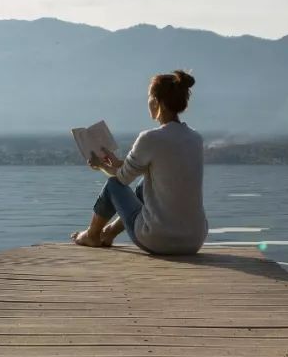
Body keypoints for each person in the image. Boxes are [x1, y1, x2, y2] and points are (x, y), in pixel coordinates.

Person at [71, 69, 208, 255]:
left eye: (149, 97)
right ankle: (109, 233)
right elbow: (153, 168)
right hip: (194, 240)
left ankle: (92, 235)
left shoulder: (150, 138)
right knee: (147, 182)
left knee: (113, 185)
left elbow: (121, 180)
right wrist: (119, 162)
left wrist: (101, 166)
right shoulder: (195, 138)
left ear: (157, 102)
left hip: (159, 240)